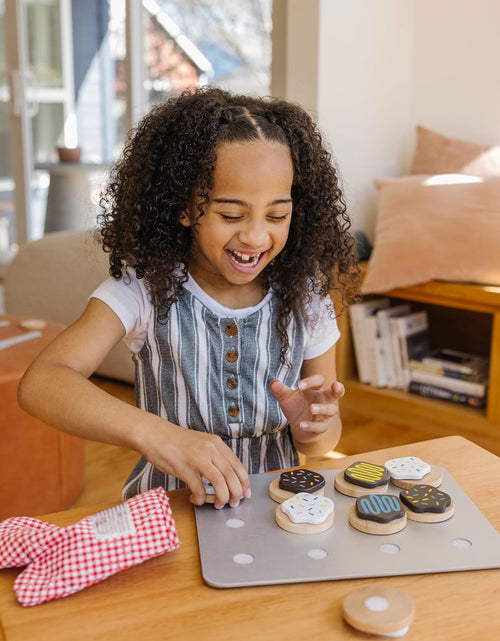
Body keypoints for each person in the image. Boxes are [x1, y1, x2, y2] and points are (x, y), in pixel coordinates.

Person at [18, 87, 360, 509]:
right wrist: (159, 435)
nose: (255, 236)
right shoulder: (142, 290)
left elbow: (323, 442)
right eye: (230, 214)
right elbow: (42, 382)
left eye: (277, 215)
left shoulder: (306, 298)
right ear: (184, 208)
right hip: (169, 514)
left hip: (278, 510)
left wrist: (312, 428)